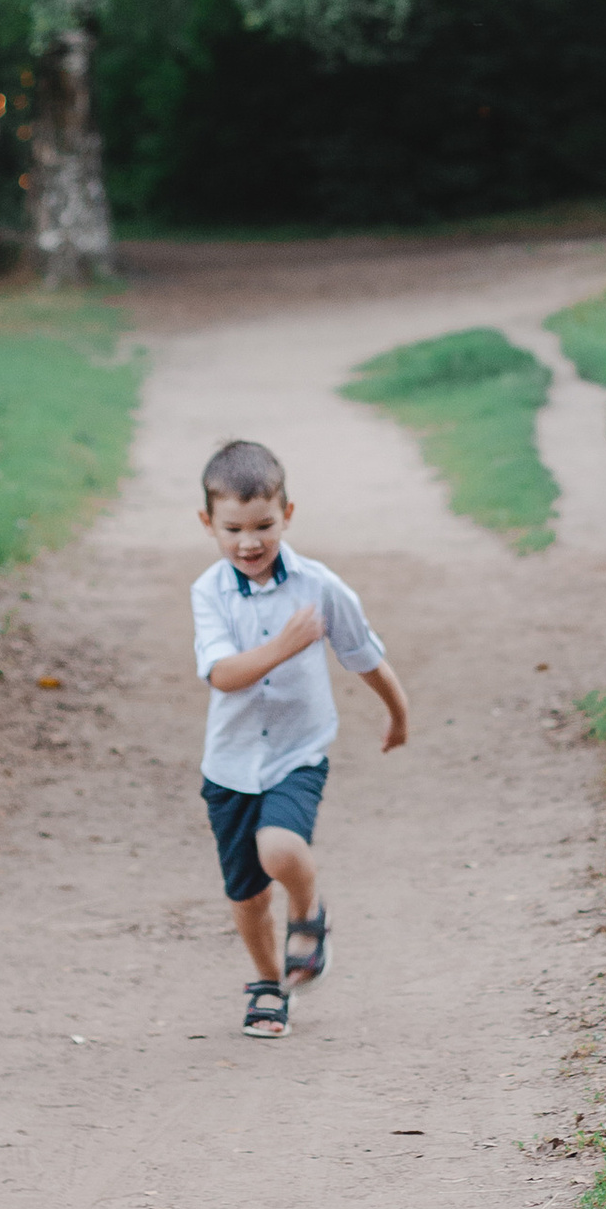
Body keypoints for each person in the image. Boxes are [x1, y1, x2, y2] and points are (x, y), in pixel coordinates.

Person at [191, 436, 409, 1040]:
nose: (249, 542)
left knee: (280, 850)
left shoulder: (319, 587)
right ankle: (267, 983)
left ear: (288, 515)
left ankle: (309, 913)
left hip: (296, 754)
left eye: (264, 525)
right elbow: (222, 674)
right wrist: (283, 647)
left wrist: (399, 712)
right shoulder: (208, 592)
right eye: (233, 528)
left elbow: (364, 656)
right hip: (229, 764)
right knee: (246, 892)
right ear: (208, 524)